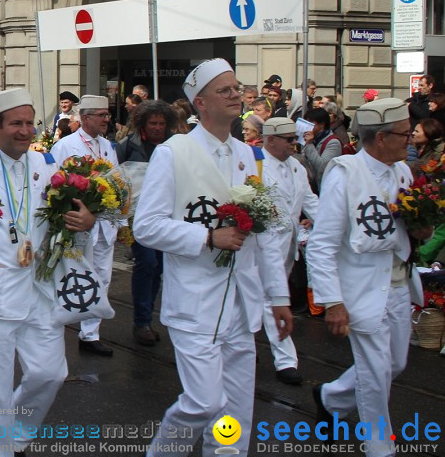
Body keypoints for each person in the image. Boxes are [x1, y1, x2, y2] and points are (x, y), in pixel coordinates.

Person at [134, 58, 292, 456]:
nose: (236, 95)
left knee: (236, 413)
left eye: (237, 87)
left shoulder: (250, 156)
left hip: (242, 302)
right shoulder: (173, 152)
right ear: (200, 103)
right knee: (205, 403)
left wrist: (279, 298)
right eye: (225, 90)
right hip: (195, 301)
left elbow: (265, 237)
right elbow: (147, 226)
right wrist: (206, 236)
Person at [0, 88, 91, 455]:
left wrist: (85, 219)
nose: (25, 130)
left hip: (40, 290)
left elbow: (72, 215)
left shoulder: (47, 166)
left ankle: (18, 436)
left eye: (30, 123)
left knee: (51, 374)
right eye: (16, 123)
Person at [306, 98, 433, 457]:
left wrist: (420, 230)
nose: (409, 140)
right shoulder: (345, 174)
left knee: (395, 364)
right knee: (375, 374)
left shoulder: (402, 172)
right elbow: (322, 244)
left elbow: (404, 228)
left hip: (397, 285)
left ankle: (330, 397)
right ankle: (380, 448)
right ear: (380, 138)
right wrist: (333, 301)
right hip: (361, 290)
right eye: (404, 134)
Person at [50, 95, 120, 356]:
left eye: (107, 115)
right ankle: (58, 325)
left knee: (103, 276)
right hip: (78, 223)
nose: (106, 119)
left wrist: (119, 218)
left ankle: (90, 334)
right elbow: (54, 183)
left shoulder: (107, 146)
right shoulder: (65, 146)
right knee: (75, 274)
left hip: (104, 224)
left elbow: (116, 180)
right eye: (102, 115)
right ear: (86, 117)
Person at [260, 118, 318, 386]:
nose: (294, 144)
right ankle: (286, 361)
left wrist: (336, 225)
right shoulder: (256, 166)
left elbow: (310, 202)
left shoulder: (296, 167)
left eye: (294, 139)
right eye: (288, 139)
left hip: (288, 247)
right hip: (262, 247)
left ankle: (237, 345)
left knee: (261, 299)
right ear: (270, 139)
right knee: (271, 298)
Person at [115, 100, 177, 346]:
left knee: (160, 267)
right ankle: (142, 321)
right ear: (142, 123)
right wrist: (121, 222)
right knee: (147, 263)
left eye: (162, 123)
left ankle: (149, 314)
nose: (157, 128)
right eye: (153, 123)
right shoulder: (127, 146)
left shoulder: (175, 145)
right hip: (137, 218)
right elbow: (117, 181)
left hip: (168, 216)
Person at [303, 106, 342, 189]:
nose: (307, 127)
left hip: (324, 189)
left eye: (310, 123)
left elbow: (322, 168)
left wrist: (309, 144)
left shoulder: (333, 143)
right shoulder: (312, 139)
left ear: (321, 125)